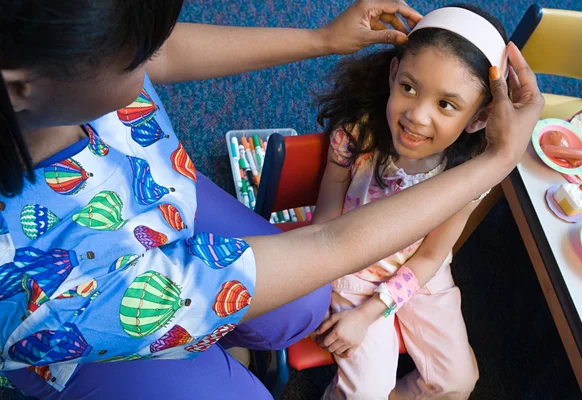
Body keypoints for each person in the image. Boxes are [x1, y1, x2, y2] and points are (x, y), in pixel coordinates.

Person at [0, 1, 543, 399]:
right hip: (91, 335)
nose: (154, 62)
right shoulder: (43, 284)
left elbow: (160, 50)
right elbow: (328, 238)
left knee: (303, 308)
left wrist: (322, 39)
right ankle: (200, 353)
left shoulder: (61, 77)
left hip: (162, 210)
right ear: (21, 86)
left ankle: (214, 342)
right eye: (135, 60)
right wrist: (493, 162)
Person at [311, 5, 509, 399]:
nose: (417, 116)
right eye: (409, 88)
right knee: (365, 392)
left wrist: (374, 311)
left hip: (421, 273)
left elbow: (431, 256)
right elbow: (325, 222)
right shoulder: (356, 137)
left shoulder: (470, 171)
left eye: (446, 104)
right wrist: (326, 293)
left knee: (458, 382)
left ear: (480, 117)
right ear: (393, 73)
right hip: (354, 264)